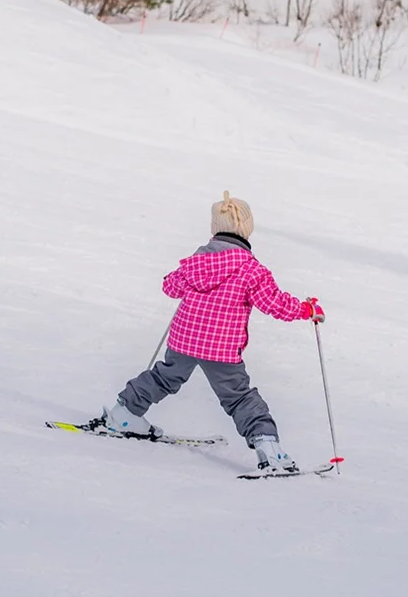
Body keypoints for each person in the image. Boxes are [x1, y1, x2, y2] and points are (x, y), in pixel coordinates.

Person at [100, 191, 325, 473]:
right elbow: (274, 303)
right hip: (220, 347)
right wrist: (306, 310)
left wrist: (181, 279)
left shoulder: (195, 261)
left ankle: (123, 414)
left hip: (184, 338)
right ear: (247, 228)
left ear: (213, 228)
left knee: (164, 377)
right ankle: (269, 448)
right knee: (238, 396)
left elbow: (170, 287)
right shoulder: (251, 269)